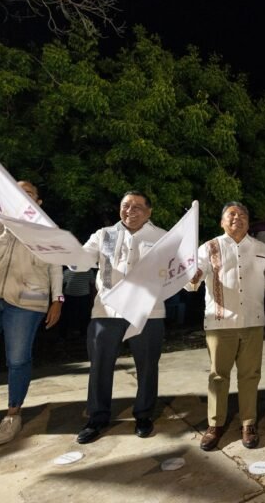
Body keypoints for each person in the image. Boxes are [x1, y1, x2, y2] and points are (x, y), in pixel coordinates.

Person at [0, 181, 63, 446]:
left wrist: (58, 299)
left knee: (18, 359)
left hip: (26, 301)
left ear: (38, 202)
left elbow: (55, 268)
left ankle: (13, 415)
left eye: (28, 192)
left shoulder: (47, 230)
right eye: (15, 190)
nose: (21, 195)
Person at [187, 202, 265, 451]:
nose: (237, 218)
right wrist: (191, 275)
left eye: (242, 215)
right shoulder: (209, 248)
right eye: (231, 214)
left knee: (250, 375)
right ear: (222, 222)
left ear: (248, 222)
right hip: (220, 323)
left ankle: (248, 423)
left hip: (253, 322)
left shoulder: (260, 248)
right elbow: (192, 282)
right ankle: (215, 424)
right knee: (218, 376)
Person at [76, 190, 167, 444]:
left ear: (149, 212)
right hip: (107, 311)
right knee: (100, 366)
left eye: (137, 207)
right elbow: (82, 259)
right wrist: (68, 255)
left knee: (147, 366)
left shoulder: (162, 237)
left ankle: (144, 415)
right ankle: (97, 418)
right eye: (126, 205)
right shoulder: (104, 234)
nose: (130, 211)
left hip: (147, 311)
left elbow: (177, 269)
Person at [59, 267, 95, 339]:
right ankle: (83, 334)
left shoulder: (67, 272)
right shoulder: (89, 271)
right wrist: (93, 298)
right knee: (83, 316)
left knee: (68, 316)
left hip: (70, 296)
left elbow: (61, 287)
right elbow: (92, 285)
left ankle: (65, 334)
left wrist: (60, 301)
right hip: (83, 296)